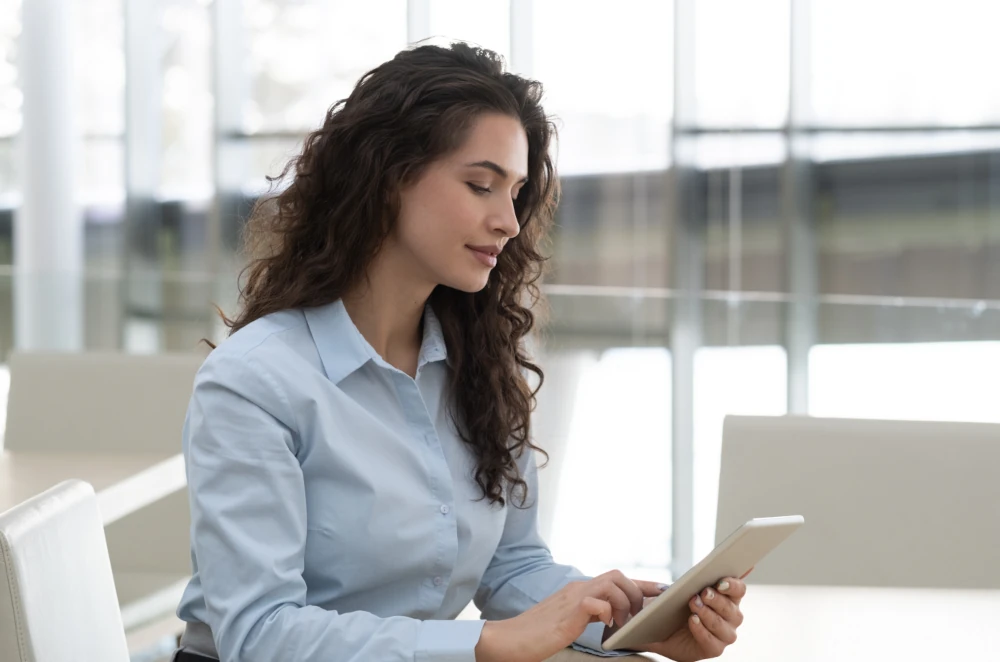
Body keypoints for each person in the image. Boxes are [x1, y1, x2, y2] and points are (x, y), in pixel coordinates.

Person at [172, 42, 747, 662]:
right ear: (388, 177)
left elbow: (511, 565)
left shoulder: (479, 366)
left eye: (516, 193)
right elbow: (260, 634)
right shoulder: (256, 382)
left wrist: (619, 622)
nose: (509, 220)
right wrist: (488, 641)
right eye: (481, 186)